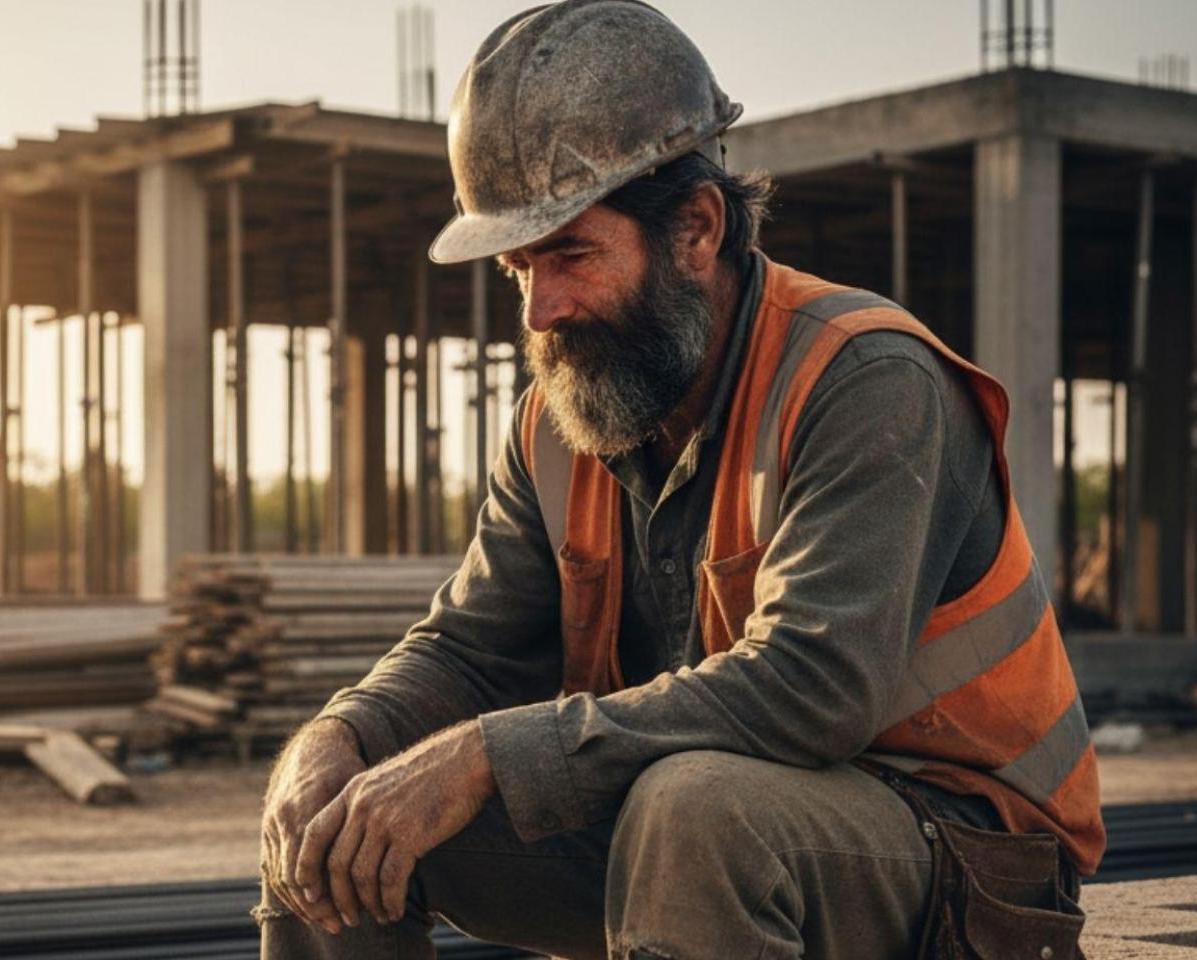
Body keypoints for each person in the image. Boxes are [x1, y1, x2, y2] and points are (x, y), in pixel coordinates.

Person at [256, 2, 1103, 958]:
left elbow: (812, 688)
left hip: (965, 860)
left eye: (570, 254)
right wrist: (340, 737)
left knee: (694, 810)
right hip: (718, 826)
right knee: (331, 821)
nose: (541, 310)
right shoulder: (564, 416)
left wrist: (489, 756)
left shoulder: (865, 380)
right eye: (519, 268)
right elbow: (467, 651)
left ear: (696, 230)